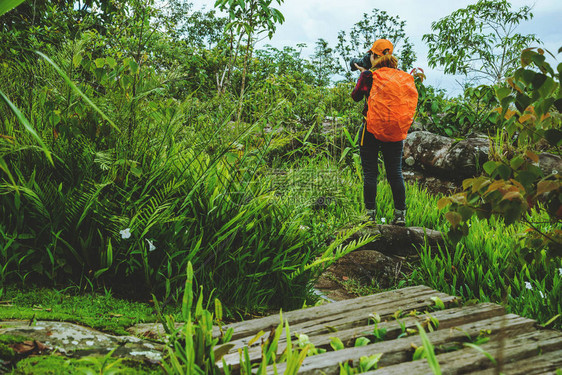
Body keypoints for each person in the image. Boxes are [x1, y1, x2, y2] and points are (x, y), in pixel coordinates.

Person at [351, 39, 409, 226]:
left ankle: (370, 216)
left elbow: (356, 96)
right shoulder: (402, 76)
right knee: (395, 173)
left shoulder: (369, 76)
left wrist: (363, 74)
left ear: (374, 56)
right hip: (394, 131)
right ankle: (400, 215)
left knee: (370, 174)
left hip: (371, 129)